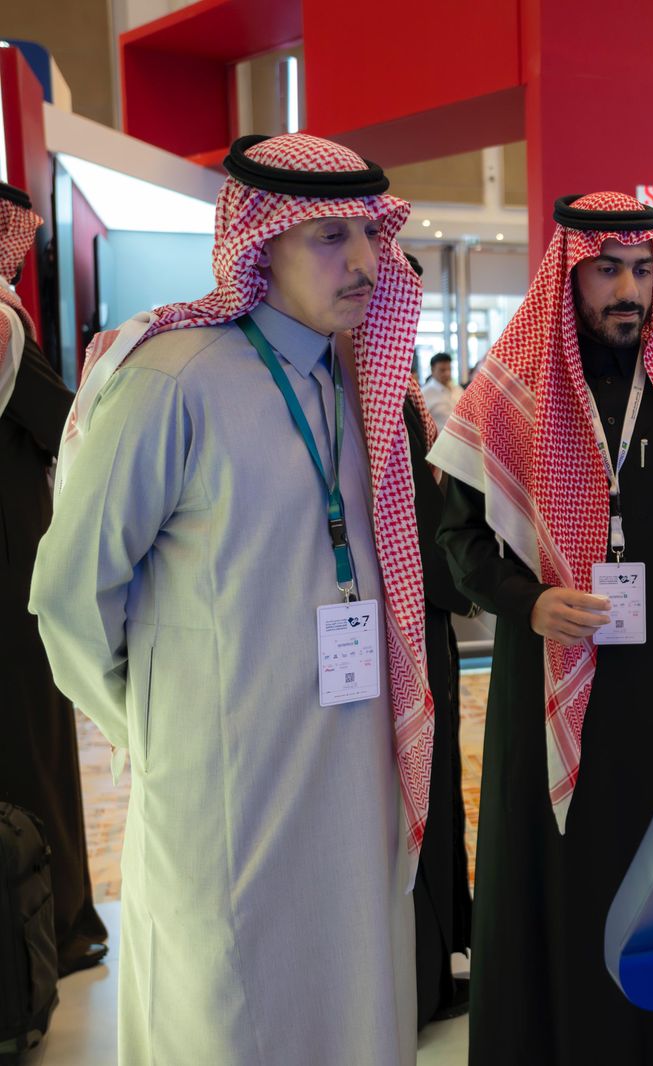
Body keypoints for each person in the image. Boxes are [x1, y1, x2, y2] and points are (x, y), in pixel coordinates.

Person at [31, 133, 432, 1066]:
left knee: (353, 991)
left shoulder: (355, 383)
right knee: (224, 1006)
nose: (365, 262)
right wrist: (157, 727)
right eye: (330, 236)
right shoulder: (171, 380)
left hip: (351, 769)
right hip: (223, 787)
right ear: (262, 242)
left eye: (370, 234)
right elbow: (71, 596)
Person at [428, 192, 653, 1066]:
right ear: (568, 275)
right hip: (549, 681)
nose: (629, 290)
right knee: (560, 886)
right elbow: (458, 538)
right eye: (607, 270)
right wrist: (527, 601)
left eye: (644, 271)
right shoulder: (510, 390)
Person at [0, 179, 110, 974]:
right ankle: (56, 928)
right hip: (10, 566)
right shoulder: (2, 322)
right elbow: (62, 422)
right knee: (31, 740)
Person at [400, 258, 474, 1028]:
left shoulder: (399, 392)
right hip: (401, 630)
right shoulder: (378, 396)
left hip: (422, 621)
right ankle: (421, 975)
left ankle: (440, 955)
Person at [421, 350, 462, 429]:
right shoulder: (424, 393)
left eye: (449, 369)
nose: (447, 373)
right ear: (432, 370)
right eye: (442, 370)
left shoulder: (458, 389)